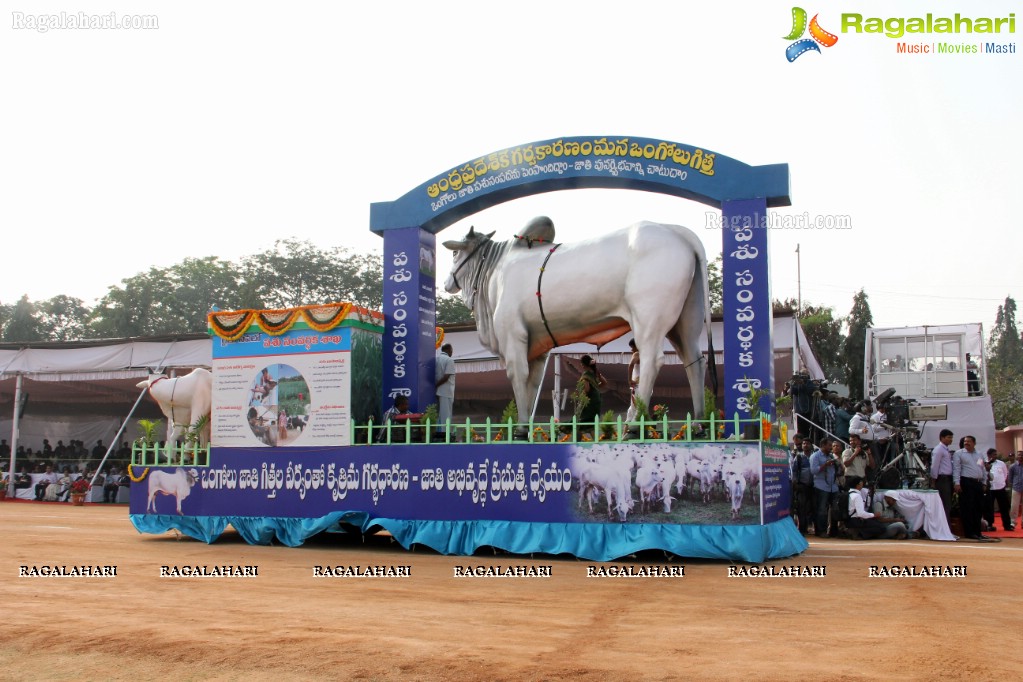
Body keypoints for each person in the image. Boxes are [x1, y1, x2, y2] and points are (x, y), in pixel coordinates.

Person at [953, 435, 992, 541]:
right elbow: (956, 469)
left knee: (978, 508)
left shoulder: (979, 454)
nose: (966, 443)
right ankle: (969, 532)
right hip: (966, 482)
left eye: (969, 441)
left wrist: (984, 482)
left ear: (974, 443)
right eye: (965, 441)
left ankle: (977, 532)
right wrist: (957, 483)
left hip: (978, 483)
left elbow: (982, 468)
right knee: (968, 508)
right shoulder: (959, 453)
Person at [810, 437, 842, 537]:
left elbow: (838, 472)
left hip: (833, 486)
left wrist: (837, 465)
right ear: (823, 445)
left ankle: (833, 531)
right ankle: (821, 531)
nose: (831, 448)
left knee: (835, 509)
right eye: (829, 446)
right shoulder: (815, 456)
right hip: (821, 487)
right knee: (822, 510)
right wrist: (825, 465)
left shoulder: (831, 456)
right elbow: (814, 471)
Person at [929, 428, 955, 526]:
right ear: (942, 438)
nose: (951, 440)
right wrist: (933, 480)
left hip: (947, 479)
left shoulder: (946, 449)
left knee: (947, 504)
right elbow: (934, 466)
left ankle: (946, 527)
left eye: (951, 438)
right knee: (945, 504)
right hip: (942, 479)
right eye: (948, 437)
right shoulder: (939, 449)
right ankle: (945, 528)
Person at [983, 449, 1012, 532]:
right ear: (988, 455)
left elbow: (1005, 474)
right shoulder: (983, 463)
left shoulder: (1001, 463)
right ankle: (989, 525)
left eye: (996, 454)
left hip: (1000, 488)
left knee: (1004, 507)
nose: (995, 456)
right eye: (993, 454)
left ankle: (1007, 525)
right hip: (989, 489)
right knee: (989, 508)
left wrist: (1002, 483)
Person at [575, 354, 607, 429]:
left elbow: (587, 389)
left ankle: (592, 438)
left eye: (581, 363)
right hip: (597, 399)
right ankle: (581, 437)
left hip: (590, 400)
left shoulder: (586, 374)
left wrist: (581, 399)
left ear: (583, 364)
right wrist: (595, 388)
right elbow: (605, 383)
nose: (581, 365)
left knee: (583, 420)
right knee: (591, 421)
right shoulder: (595, 372)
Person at [434, 343, 456, 435]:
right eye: (452, 351)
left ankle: (440, 433)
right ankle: (445, 435)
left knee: (439, 415)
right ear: (449, 350)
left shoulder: (436, 359)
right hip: (446, 391)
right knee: (446, 415)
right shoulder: (449, 360)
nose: (452, 352)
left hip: (437, 392)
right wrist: (436, 385)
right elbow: (446, 376)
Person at [625, 339, 640, 422]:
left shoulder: (637, 353)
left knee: (635, 408)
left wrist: (629, 379)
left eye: (632, 347)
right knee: (636, 407)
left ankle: (632, 429)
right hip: (644, 384)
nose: (631, 350)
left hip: (637, 384)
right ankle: (626, 431)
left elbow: (631, 365)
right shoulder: (647, 354)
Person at [1008, 451, 1023, 531]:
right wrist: (1013, 485)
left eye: (1022, 455)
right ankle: (1012, 522)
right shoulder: (1013, 466)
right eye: (1019, 455)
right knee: (1014, 506)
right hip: (1016, 487)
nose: (1020, 456)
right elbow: (1010, 478)